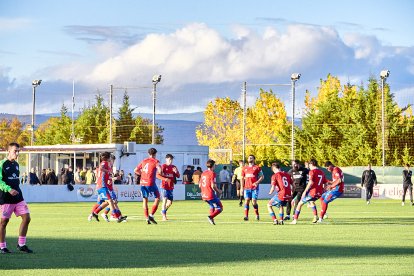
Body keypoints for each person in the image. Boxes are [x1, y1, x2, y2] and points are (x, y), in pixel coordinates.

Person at [0, 142, 33, 254]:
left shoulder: (17, 165)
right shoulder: (2, 164)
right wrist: (8, 189)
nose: (17, 153)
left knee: (27, 218)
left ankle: (21, 244)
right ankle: (2, 246)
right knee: (4, 222)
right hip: (6, 198)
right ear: (8, 151)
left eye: (18, 151)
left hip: (18, 197)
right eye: (15, 151)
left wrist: (15, 190)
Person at [134, 148, 167, 224]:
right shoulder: (156, 161)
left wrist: (142, 174)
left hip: (142, 183)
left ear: (148, 154)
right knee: (157, 197)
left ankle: (146, 218)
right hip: (150, 183)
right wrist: (161, 173)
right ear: (155, 154)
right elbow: (160, 170)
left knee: (145, 200)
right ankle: (151, 215)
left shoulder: (143, 161)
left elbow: (135, 170)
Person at [291, 159, 327, 225]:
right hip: (319, 193)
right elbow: (325, 183)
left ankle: (295, 220)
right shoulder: (321, 172)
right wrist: (323, 191)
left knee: (299, 204)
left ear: (311, 164)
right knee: (311, 201)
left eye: (309, 165)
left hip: (313, 192)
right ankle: (315, 216)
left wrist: (305, 191)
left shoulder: (312, 171)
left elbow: (310, 182)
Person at [199, 159, 223, 225]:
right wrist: (219, 191)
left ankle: (211, 220)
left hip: (203, 195)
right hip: (210, 194)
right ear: (213, 165)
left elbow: (199, 185)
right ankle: (210, 217)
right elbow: (213, 186)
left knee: (212, 206)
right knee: (220, 208)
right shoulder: (212, 173)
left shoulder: (203, 173)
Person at [241, 155, 264, 221]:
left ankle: (257, 214)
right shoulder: (244, 168)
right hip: (246, 188)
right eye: (249, 158)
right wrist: (242, 188)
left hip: (254, 188)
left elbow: (262, 177)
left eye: (251, 158)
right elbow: (242, 179)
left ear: (254, 159)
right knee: (247, 200)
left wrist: (257, 182)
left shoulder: (257, 168)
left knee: (254, 202)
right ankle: (246, 216)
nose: (249, 159)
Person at [160, 154, 180, 221]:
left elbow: (178, 176)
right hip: (164, 186)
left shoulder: (174, 167)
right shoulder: (163, 166)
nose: (171, 161)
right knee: (164, 200)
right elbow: (158, 175)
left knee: (170, 202)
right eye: (169, 159)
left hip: (170, 187)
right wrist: (165, 179)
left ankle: (163, 211)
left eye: (171, 160)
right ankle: (164, 216)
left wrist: (176, 172)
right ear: (166, 159)